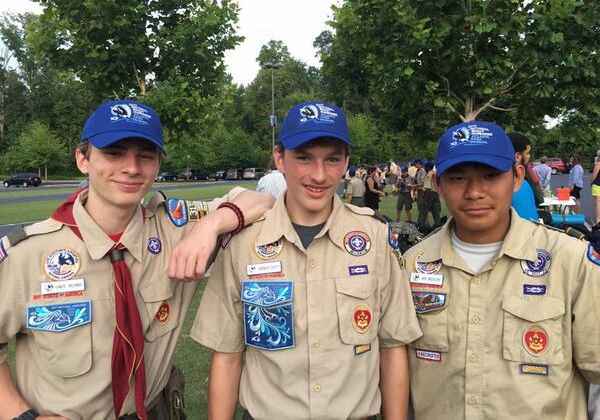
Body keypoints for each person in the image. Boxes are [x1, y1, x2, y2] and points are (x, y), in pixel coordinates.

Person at [0, 100, 274, 420]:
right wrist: (21, 416)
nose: (132, 167)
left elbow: (263, 199)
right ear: (82, 160)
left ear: (157, 165)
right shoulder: (27, 254)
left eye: (145, 156)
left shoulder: (174, 229)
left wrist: (210, 227)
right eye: (114, 152)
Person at [192, 100, 422, 420]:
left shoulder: (375, 239)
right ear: (279, 158)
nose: (318, 174)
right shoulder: (244, 244)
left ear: (346, 163)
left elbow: (392, 347)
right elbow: (227, 355)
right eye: (304, 158)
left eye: (332, 159)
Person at [404, 120, 600, 420]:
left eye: (490, 175)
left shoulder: (570, 263)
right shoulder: (411, 265)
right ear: (438, 183)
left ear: (517, 177)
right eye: (457, 178)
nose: (474, 192)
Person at [507, 132, 539, 221]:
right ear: (517, 156)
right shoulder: (521, 185)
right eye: (527, 153)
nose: (529, 156)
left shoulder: (496, 184)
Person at [421, 161, 441, 227]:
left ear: (428, 167)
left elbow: (428, 188)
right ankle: (438, 226)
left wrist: (426, 199)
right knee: (436, 211)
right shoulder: (435, 173)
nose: (424, 168)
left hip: (429, 194)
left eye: (425, 167)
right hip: (436, 194)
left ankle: (421, 226)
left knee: (424, 211)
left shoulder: (428, 174)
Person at [591, 159, 600, 226]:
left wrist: (591, 183)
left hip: (597, 185)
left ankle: (598, 221)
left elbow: (594, 176)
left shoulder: (598, 165)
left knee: (598, 204)